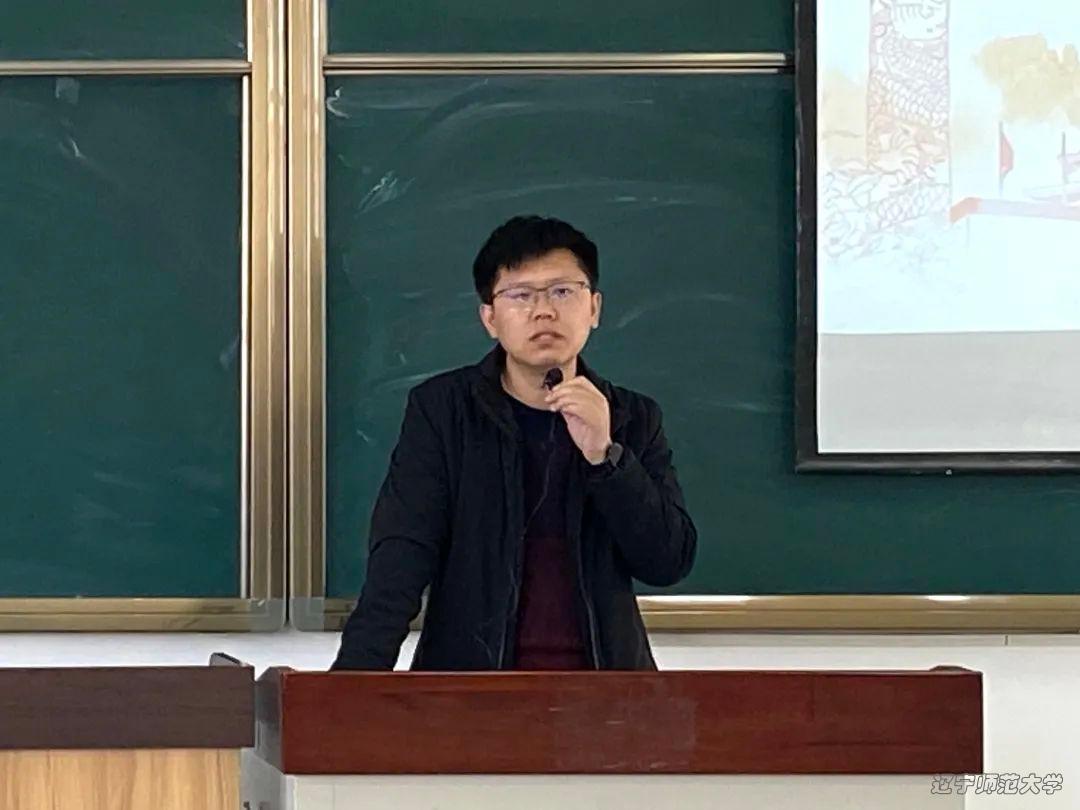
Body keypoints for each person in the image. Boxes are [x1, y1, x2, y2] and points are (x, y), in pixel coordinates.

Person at [332, 215, 697, 671]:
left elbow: (668, 562)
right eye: (521, 295)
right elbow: (401, 558)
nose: (543, 311)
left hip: (606, 692)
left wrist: (607, 458)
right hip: (469, 691)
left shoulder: (633, 418)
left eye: (563, 291)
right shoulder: (444, 411)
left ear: (594, 308)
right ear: (490, 318)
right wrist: (350, 686)